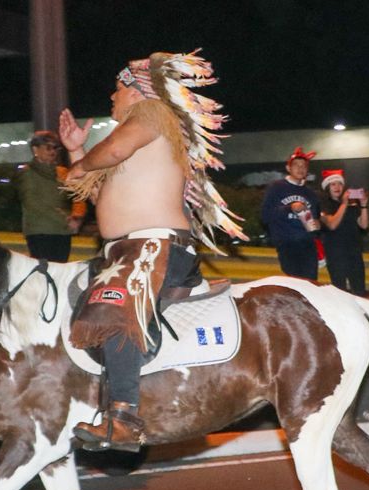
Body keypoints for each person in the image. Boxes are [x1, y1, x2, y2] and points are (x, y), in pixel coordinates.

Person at [60, 51, 246, 450]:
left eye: (116, 88)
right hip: (126, 251)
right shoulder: (131, 136)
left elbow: (108, 154)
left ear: (134, 89)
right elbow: (96, 190)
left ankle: (124, 419)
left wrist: (82, 163)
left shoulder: (152, 113)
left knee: (113, 307)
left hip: (154, 247)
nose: (111, 96)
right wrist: (76, 152)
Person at [14, 129, 86, 262]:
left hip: (63, 232)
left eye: (56, 148)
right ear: (35, 149)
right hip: (40, 231)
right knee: (44, 273)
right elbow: (32, 203)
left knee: (60, 273)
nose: (53, 152)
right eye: (48, 147)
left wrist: (77, 217)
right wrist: (65, 220)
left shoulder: (63, 172)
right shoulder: (27, 173)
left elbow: (79, 195)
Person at [261, 147, 325, 280]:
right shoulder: (276, 188)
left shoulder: (311, 194)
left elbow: (316, 220)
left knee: (311, 283)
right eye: (296, 165)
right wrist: (289, 208)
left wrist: (318, 225)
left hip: (308, 245)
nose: (301, 168)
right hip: (287, 244)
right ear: (288, 168)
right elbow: (265, 216)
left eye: (304, 166)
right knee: (294, 284)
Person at [319, 169, 369, 294]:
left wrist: (363, 205)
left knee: (359, 291)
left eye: (340, 184)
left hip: (354, 253)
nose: (337, 187)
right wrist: (343, 204)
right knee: (340, 291)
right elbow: (332, 224)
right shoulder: (324, 205)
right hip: (336, 254)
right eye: (333, 184)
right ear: (327, 187)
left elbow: (364, 225)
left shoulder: (352, 206)